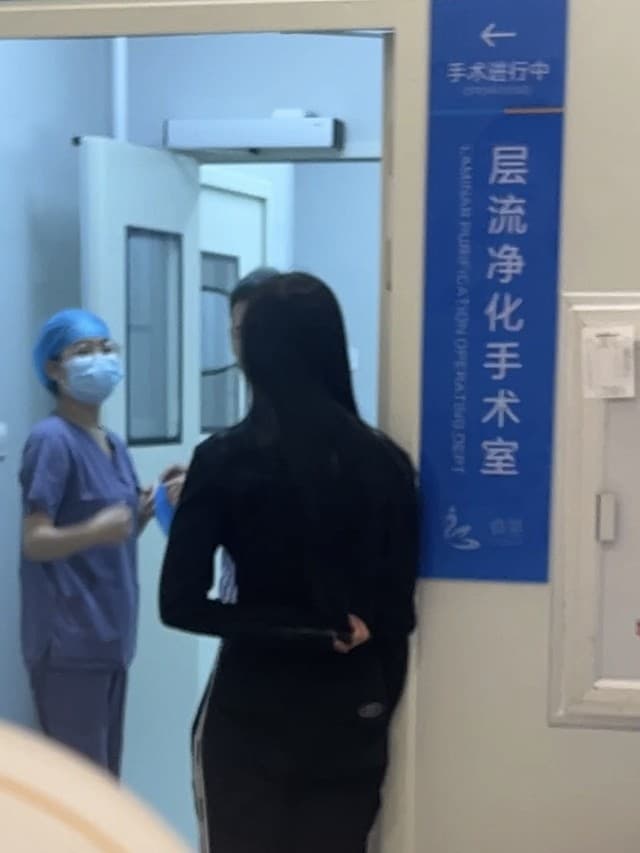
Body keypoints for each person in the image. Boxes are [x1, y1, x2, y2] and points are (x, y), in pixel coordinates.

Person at [159, 273, 419, 853]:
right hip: (350, 714)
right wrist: (367, 699)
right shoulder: (387, 464)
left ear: (252, 354)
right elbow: (397, 618)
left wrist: (300, 631)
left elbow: (178, 605)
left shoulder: (223, 459)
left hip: (250, 708)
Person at [20, 308, 155, 777]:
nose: (99, 358)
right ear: (54, 369)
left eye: (105, 348)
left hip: (111, 639)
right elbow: (35, 539)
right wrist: (94, 530)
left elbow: (115, 532)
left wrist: (143, 513)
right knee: (81, 785)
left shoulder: (113, 444)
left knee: (104, 782)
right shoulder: (51, 441)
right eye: (83, 351)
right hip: (68, 644)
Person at [158, 265, 280, 604]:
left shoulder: (332, 441)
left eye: (258, 330)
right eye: (238, 332)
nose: (246, 345)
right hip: (239, 619)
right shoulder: (233, 444)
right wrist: (203, 485)